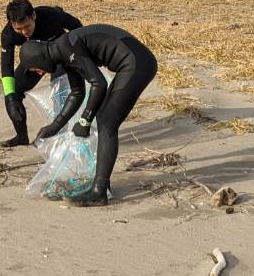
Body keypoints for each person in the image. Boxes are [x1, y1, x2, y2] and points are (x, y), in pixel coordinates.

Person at [18, 24, 157, 207]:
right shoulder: (62, 53)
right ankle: (100, 186)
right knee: (104, 118)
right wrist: (54, 127)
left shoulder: (66, 49)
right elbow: (77, 93)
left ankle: (99, 191)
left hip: (136, 63)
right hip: (135, 61)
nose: (38, 73)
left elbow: (98, 83)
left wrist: (84, 120)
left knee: (107, 122)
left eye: (36, 68)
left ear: (39, 58)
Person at [0, 0, 81, 147]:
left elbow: (77, 27)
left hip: (60, 57)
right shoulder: (8, 34)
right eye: (19, 29)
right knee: (13, 93)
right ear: (11, 24)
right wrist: (9, 97)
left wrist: (76, 55)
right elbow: (6, 66)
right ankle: (21, 137)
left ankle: (60, 138)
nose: (24, 32)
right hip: (35, 60)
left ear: (34, 16)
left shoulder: (52, 16)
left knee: (59, 95)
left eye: (27, 26)